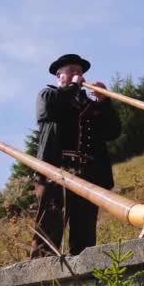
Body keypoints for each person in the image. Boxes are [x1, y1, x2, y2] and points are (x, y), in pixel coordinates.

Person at [31, 54, 121, 258]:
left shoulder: (90, 105)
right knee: (51, 224)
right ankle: (42, 274)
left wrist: (104, 102)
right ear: (58, 75)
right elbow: (49, 112)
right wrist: (72, 87)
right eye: (71, 70)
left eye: (79, 71)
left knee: (85, 228)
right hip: (56, 171)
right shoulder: (47, 95)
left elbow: (113, 132)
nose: (77, 74)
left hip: (88, 174)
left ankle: (84, 271)